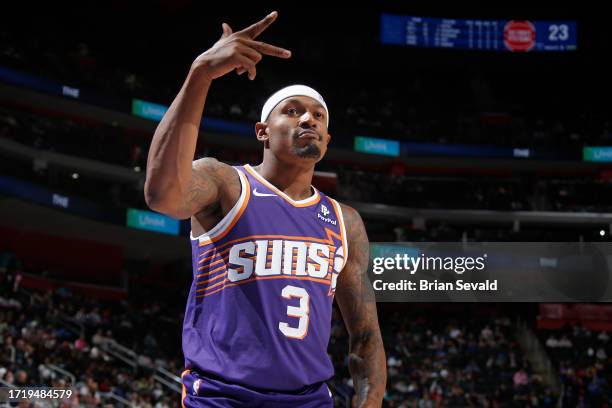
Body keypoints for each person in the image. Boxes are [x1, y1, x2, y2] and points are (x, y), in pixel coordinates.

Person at [144, 11, 386, 407]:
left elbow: (366, 337)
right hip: (223, 397)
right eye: (292, 110)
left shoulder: (346, 222)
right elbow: (162, 195)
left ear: (326, 139)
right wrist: (200, 74)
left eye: (318, 115)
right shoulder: (225, 182)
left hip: (309, 400)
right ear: (262, 131)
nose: (307, 117)